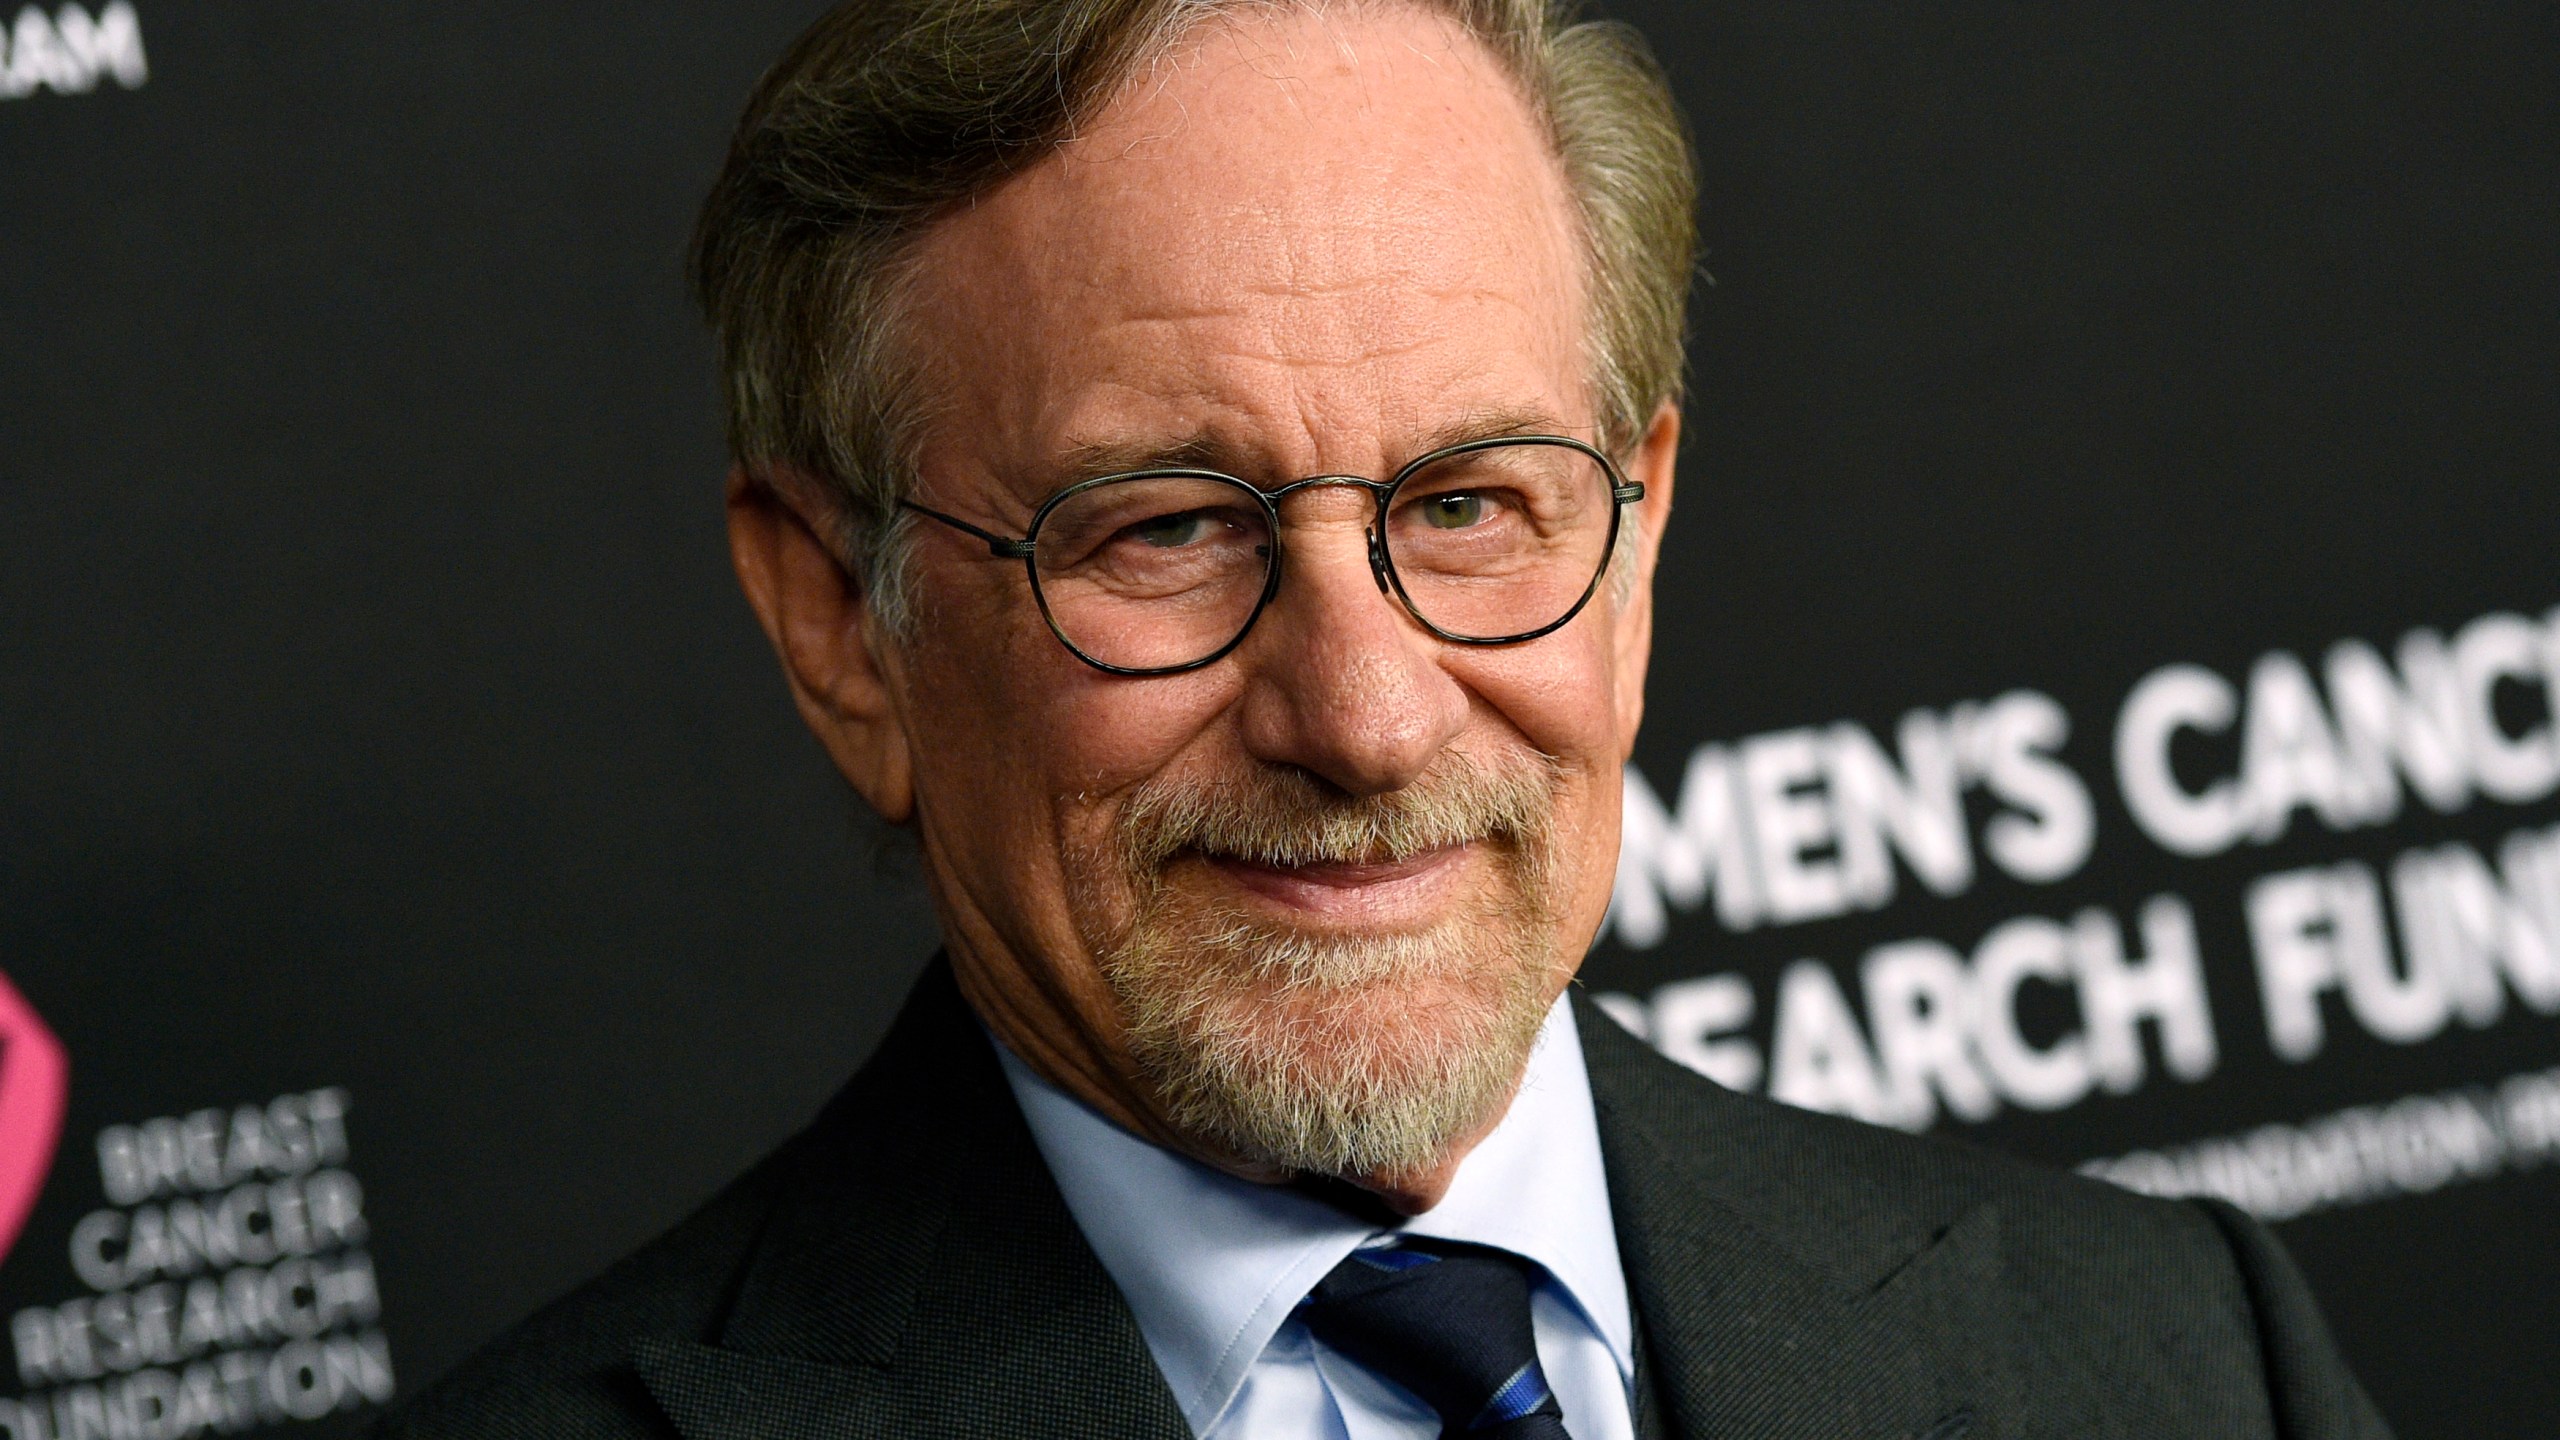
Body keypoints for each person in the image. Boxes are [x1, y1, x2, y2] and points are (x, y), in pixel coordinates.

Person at [381, 1, 2391, 1436]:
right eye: (1161, 528)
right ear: (839, 618)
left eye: (1464, 504)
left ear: (1641, 521)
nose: (1358, 711)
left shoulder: (2169, 1354)